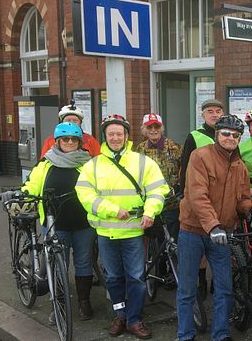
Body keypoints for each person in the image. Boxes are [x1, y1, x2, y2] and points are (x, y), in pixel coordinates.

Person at [76, 114, 168, 339]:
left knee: (136, 278)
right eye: (111, 134)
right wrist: (112, 209)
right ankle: (121, 316)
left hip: (134, 232)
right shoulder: (93, 165)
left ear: (126, 136)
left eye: (119, 133)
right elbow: (85, 194)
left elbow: (158, 190)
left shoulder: (142, 162)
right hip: (106, 232)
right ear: (105, 137)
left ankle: (135, 319)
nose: (115, 137)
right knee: (114, 278)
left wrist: (150, 212)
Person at [177, 114, 252, 341]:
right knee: (187, 290)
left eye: (235, 135)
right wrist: (213, 226)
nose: (230, 138)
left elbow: (243, 197)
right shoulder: (200, 156)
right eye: (225, 133)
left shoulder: (239, 165)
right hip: (193, 231)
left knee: (224, 289)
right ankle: (185, 335)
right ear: (216, 135)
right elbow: (197, 195)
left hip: (222, 234)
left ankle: (221, 334)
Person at [21, 122, 94, 322]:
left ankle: (84, 301)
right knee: (58, 265)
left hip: (84, 224)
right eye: (65, 139)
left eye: (73, 139)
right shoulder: (45, 164)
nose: (69, 142)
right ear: (58, 141)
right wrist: (22, 197)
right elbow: (32, 185)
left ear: (80, 142)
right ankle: (59, 303)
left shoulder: (88, 164)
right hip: (55, 225)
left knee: (84, 263)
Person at [178, 98, 224, 295]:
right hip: (200, 198)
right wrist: (185, 194)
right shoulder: (195, 136)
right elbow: (185, 168)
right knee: (201, 241)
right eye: (210, 111)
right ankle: (201, 283)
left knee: (220, 244)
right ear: (203, 115)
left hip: (222, 198)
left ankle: (216, 282)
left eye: (218, 111)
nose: (214, 114)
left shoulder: (227, 134)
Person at [135, 113, 182, 240]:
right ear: (144, 130)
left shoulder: (174, 147)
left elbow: (184, 168)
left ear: (161, 128)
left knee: (173, 239)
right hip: (150, 202)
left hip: (171, 203)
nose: (153, 130)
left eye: (156, 127)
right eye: (150, 127)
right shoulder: (140, 149)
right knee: (155, 239)